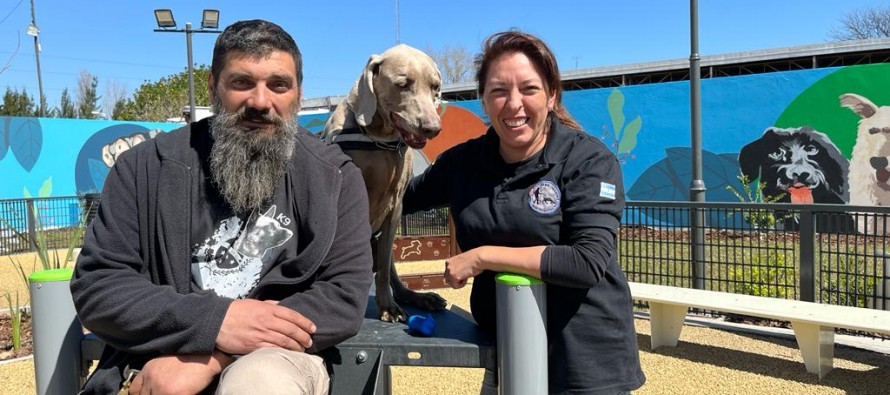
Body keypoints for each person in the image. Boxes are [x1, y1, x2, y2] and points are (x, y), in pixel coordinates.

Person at [70, 19, 373, 395]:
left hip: (278, 361)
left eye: (278, 85)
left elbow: (343, 298)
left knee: (259, 383)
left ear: (297, 93)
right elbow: (99, 286)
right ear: (214, 86)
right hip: (156, 359)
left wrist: (215, 355)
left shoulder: (335, 178)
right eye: (242, 82)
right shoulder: (144, 168)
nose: (260, 102)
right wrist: (217, 320)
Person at [402, 30, 646, 394]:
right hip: (507, 351)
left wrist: (482, 256)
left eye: (529, 89)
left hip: (584, 365)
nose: (513, 103)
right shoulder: (464, 163)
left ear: (551, 96)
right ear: (483, 101)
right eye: (499, 91)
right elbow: (397, 200)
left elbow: (587, 260)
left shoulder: (588, 161)